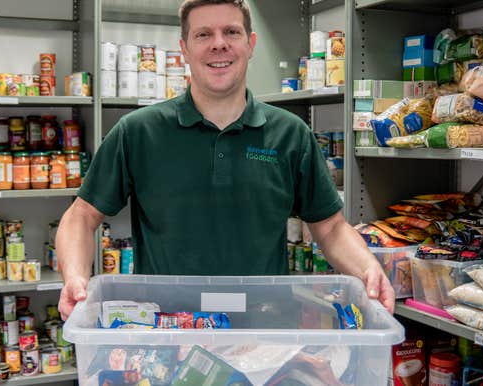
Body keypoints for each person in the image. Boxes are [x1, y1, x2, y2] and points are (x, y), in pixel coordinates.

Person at [56, 0, 394, 320]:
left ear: (251, 43)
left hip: (266, 329)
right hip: (170, 331)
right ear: (184, 49)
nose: (219, 44)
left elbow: (331, 227)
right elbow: (81, 216)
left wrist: (368, 269)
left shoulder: (291, 133)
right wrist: (74, 277)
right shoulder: (138, 131)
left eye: (231, 32)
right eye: (204, 34)